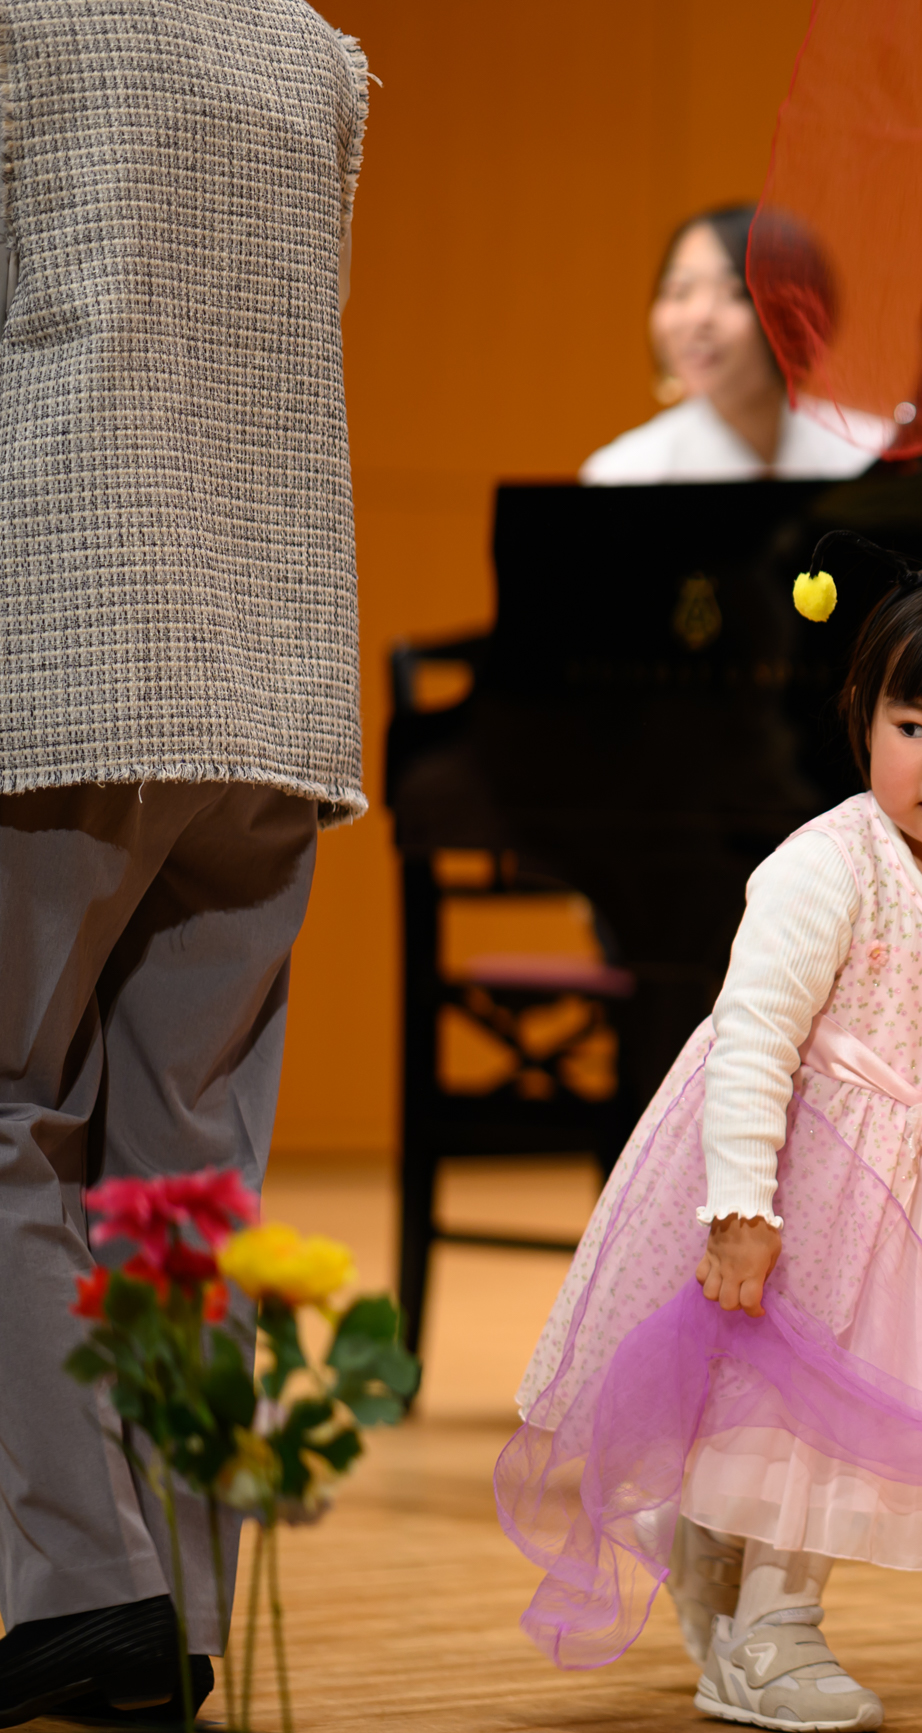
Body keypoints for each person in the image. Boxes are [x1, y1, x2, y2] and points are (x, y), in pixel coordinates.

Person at [498, 537, 922, 1732]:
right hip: (795, 1183)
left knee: (839, 1425)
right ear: (862, 716)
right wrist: (739, 1207)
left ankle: (743, 1595)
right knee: (773, 1417)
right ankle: (770, 1631)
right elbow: (753, 1039)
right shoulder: (826, 866)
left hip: (920, 1212)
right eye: (912, 722)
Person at [0, 1, 369, 1724]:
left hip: (63, 630)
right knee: (180, 1166)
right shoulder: (322, 56)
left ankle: (80, 1594)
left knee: (6, 1114)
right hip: (271, 666)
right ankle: (184, 1596)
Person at [582, 205, 891, 485]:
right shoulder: (625, 476)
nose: (699, 317)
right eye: (679, 292)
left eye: (734, 293)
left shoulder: (874, 458)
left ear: (794, 315)